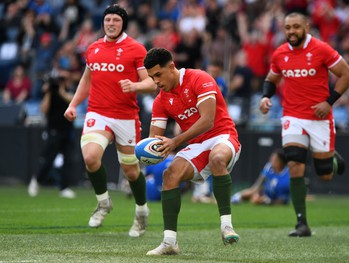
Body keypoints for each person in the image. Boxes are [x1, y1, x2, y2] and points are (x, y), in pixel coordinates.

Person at [64, 4, 156, 237]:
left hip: (125, 116)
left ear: (122, 23)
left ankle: (142, 211)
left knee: (131, 172)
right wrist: (73, 104)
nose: (111, 24)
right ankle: (103, 202)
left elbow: (151, 83)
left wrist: (135, 85)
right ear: (103, 23)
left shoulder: (136, 49)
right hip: (98, 112)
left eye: (116, 20)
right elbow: (87, 80)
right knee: (91, 157)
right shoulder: (93, 49)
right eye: (108, 20)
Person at [259, 12, 349, 237]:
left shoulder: (322, 49)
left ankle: (332, 159)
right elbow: (271, 79)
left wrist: (329, 102)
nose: (292, 31)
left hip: (319, 118)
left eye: (296, 27)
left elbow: (347, 75)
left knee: (325, 175)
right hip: (292, 117)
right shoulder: (280, 53)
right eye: (288, 27)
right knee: (295, 166)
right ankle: (302, 223)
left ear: (307, 27)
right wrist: (265, 97)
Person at [143, 48, 241, 255]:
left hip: (223, 135)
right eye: (152, 77)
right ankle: (169, 243)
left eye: (158, 75)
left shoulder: (199, 78)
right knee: (169, 175)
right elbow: (155, 137)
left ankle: (226, 226)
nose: (156, 82)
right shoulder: (161, 99)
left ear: (171, 66)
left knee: (217, 158)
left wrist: (175, 141)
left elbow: (207, 121)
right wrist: (148, 151)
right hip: (196, 145)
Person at [27, 76, 76, 199]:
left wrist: (62, 92)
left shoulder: (68, 91)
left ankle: (64, 187)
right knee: (49, 159)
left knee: (68, 160)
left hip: (67, 130)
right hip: (54, 130)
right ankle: (36, 181)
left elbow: (73, 101)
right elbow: (43, 110)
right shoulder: (50, 94)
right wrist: (48, 93)